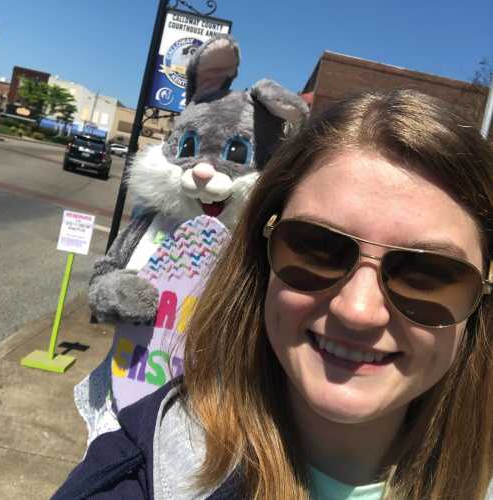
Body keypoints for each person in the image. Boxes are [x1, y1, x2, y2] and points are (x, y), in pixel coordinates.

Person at [53, 89, 493, 500]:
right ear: (261, 257)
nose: (358, 311)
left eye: (428, 273)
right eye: (317, 248)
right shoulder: (130, 473)